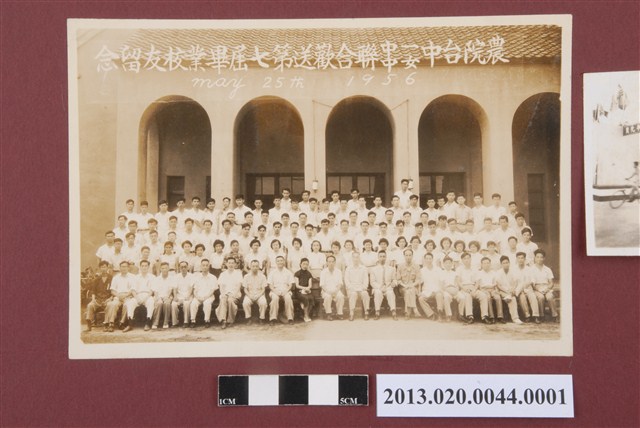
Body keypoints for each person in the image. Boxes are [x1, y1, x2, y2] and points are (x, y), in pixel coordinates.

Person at [123, 259, 155, 332]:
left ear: (148, 267)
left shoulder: (152, 277)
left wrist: (146, 298)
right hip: (137, 295)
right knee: (130, 303)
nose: (144, 267)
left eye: (146, 266)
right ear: (140, 267)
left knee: (151, 302)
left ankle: (148, 323)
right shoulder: (135, 277)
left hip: (147, 295)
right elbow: (133, 290)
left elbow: (152, 290)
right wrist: (137, 298)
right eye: (142, 266)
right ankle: (130, 324)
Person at [104, 261, 136, 332]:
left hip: (128, 296)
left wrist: (125, 295)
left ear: (128, 268)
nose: (123, 268)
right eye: (122, 267)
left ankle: (121, 322)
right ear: (120, 268)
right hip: (118, 296)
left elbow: (133, 289)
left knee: (127, 305)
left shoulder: (132, 277)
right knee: (112, 304)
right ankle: (111, 324)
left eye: (125, 267)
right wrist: (118, 296)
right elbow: (112, 290)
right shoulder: (116, 277)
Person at [530, 249, 559, 322]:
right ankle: (541, 315)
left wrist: (547, 289)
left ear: (544, 258)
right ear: (535, 258)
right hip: (536, 288)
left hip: (546, 287)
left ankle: (554, 315)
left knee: (550, 297)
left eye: (541, 257)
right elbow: (532, 284)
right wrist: (539, 290)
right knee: (541, 297)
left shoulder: (547, 269)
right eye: (537, 257)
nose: (539, 259)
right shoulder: (532, 269)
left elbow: (551, 282)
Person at [216, 257, 244, 329]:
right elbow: (221, 286)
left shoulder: (238, 273)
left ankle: (230, 320)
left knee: (230, 300)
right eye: (229, 263)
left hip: (235, 294)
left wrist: (233, 294)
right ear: (226, 264)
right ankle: (223, 320)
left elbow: (239, 286)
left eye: (232, 263)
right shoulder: (223, 274)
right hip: (225, 293)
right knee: (223, 299)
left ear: (235, 264)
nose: (231, 264)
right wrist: (223, 294)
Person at [369, 251, 397, 320]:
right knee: (378, 293)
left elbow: (394, 279)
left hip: (388, 287)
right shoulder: (373, 269)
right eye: (380, 256)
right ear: (378, 258)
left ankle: (393, 311)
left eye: (384, 256)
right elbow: (372, 282)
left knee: (390, 293)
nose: (382, 258)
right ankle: (377, 312)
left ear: (386, 257)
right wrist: (380, 287)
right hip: (378, 288)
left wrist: (394, 283)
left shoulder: (391, 269)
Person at [512, 252, 540, 323]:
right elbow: (513, 281)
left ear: (525, 259)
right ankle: (527, 316)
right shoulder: (514, 269)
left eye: (522, 258)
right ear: (516, 259)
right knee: (522, 298)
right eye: (519, 258)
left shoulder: (529, 269)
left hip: (528, 288)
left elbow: (533, 279)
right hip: (519, 289)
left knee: (532, 297)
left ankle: (536, 316)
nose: (520, 260)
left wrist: (528, 283)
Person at [189, 259, 218, 328]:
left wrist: (206, 297)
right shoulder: (196, 277)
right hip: (198, 296)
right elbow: (194, 290)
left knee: (207, 303)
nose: (205, 267)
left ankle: (207, 320)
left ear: (209, 266)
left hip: (209, 296)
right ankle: (193, 320)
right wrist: (197, 297)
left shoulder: (213, 277)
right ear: (201, 266)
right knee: (193, 303)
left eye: (206, 265)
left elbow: (212, 290)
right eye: (203, 265)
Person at [495, 256, 523, 324]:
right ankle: (515, 318)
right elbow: (499, 285)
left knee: (520, 285)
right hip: (503, 291)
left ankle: (512, 295)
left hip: (512, 290)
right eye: (504, 263)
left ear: (509, 263)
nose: (506, 264)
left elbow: (516, 282)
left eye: (507, 262)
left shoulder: (513, 271)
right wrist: (507, 291)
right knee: (512, 298)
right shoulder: (498, 272)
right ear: (501, 264)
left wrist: (513, 289)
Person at [85, 261, 112, 332]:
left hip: (108, 299)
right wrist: (93, 300)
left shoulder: (111, 278)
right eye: (102, 267)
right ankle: (89, 323)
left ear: (107, 268)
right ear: (100, 268)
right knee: (90, 305)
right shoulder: (96, 279)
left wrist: (110, 299)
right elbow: (93, 291)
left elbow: (113, 291)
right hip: (98, 299)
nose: (103, 269)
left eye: (105, 267)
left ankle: (106, 324)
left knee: (110, 305)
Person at [267, 256, 295, 324]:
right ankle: (273, 318)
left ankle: (290, 318)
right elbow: (270, 285)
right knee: (275, 299)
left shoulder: (288, 272)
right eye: (278, 261)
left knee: (288, 298)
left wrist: (286, 291)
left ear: (284, 262)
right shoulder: (272, 272)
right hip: (275, 290)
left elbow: (290, 284)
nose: (280, 262)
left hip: (286, 290)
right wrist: (275, 291)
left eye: (281, 260)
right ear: (276, 262)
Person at [475, 257, 503, 324]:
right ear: (481, 264)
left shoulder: (493, 273)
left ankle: (500, 317)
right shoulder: (479, 273)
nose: (486, 265)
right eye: (484, 263)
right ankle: (491, 317)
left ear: (490, 264)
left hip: (492, 289)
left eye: (488, 263)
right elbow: (478, 284)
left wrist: (495, 289)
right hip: (484, 290)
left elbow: (495, 283)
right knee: (488, 298)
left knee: (498, 297)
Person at [344, 252, 371, 321]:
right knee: (353, 294)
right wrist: (351, 288)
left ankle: (366, 312)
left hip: (361, 287)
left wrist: (364, 287)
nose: (356, 259)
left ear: (359, 258)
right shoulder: (348, 268)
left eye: (357, 257)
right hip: (352, 288)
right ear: (352, 258)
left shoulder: (363, 268)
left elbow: (366, 280)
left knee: (365, 294)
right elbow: (346, 280)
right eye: (354, 257)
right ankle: (351, 313)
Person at [396, 248, 422, 319]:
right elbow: (398, 280)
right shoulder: (400, 266)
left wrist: (412, 285)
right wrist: (405, 285)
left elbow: (418, 279)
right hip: (403, 288)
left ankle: (407, 313)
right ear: (404, 256)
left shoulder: (416, 266)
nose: (408, 257)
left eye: (410, 255)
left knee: (409, 291)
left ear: (412, 256)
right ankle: (415, 309)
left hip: (414, 287)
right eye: (406, 255)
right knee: (408, 291)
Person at [242, 259, 269, 324]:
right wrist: (250, 296)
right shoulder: (246, 276)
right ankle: (248, 318)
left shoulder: (262, 276)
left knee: (263, 303)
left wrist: (258, 296)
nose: (255, 268)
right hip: (249, 294)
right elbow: (245, 289)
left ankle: (261, 318)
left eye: (256, 266)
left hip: (260, 294)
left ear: (259, 267)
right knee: (245, 303)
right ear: (250, 267)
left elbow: (263, 289)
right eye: (253, 266)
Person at [320, 255, 345, 320]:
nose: (331, 263)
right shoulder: (323, 272)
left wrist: (336, 292)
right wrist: (329, 292)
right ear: (327, 263)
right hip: (326, 290)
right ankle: (329, 314)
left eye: (332, 262)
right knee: (328, 297)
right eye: (329, 261)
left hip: (336, 290)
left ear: (335, 262)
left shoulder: (338, 271)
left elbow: (340, 283)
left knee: (340, 296)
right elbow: (322, 285)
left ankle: (339, 313)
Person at [150, 262, 175, 329]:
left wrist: (167, 297)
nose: (164, 270)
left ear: (168, 269)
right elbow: (155, 291)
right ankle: (155, 323)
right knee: (159, 303)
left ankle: (166, 322)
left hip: (168, 296)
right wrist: (158, 298)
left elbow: (171, 290)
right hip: (158, 296)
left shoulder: (172, 278)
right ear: (160, 269)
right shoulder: (157, 279)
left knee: (167, 303)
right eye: (163, 268)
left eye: (166, 268)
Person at [417, 252, 440, 320]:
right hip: (426, 290)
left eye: (430, 258)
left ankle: (440, 314)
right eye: (427, 259)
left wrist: (439, 290)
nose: (428, 260)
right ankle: (431, 314)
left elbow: (441, 281)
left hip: (436, 290)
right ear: (424, 260)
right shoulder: (422, 270)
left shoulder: (438, 269)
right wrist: (419, 292)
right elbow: (419, 282)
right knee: (420, 299)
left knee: (439, 295)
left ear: (432, 259)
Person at [171, 261, 194, 328]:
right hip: (179, 295)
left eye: (185, 267)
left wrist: (187, 296)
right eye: (182, 267)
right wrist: (175, 296)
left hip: (188, 295)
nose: (183, 268)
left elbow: (191, 288)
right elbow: (174, 288)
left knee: (186, 303)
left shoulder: (191, 276)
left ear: (187, 267)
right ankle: (175, 322)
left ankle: (186, 322)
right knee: (173, 304)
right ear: (179, 268)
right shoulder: (176, 276)